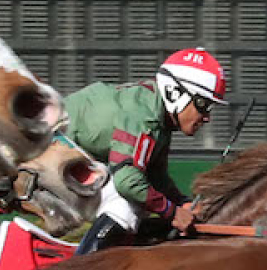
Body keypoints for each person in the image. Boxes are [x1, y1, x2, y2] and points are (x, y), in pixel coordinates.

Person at [70, 48, 227, 254]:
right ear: (174, 93)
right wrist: (172, 212)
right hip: (39, 160)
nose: (206, 117)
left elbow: (155, 176)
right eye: (203, 104)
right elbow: (127, 181)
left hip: (64, 160)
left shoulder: (158, 114)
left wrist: (183, 203)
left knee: (143, 202)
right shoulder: (145, 116)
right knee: (126, 206)